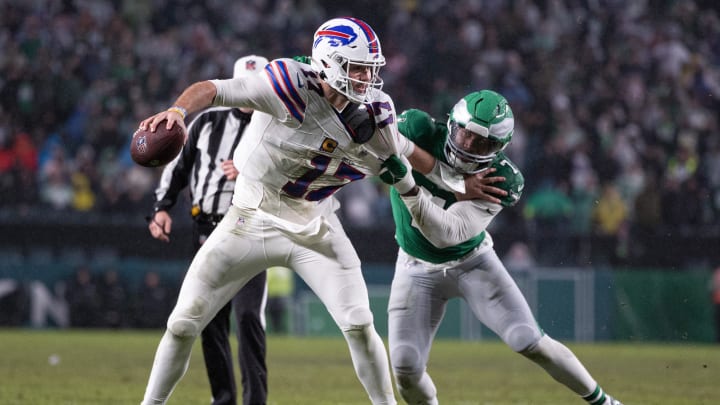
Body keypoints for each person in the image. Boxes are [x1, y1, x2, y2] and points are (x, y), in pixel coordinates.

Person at [136, 17, 449, 404]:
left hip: (314, 225)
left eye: (371, 69)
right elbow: (213, 90)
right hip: (247, 219)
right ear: (330, 63)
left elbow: (402, 151)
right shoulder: (285, 82)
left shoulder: (373, 115)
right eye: (357, 68)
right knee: (183, 323)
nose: (367, 78)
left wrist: (449, 183)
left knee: (359, 322)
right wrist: (179, 112)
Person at [378, 90, 623, 405]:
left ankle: (605, 402)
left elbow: (445, 233)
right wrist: (452, 183)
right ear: (452, 123)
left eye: (481, 143)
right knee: (405, 369)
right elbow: (384, 144)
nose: (467, 146)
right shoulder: (419, 128)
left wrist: (407, 185)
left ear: (499, 148)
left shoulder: (501, 178)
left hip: (472, 263)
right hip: (415, 266)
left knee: (529, 340)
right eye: (465, 134)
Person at [146, 55, 270, 405]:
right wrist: (162, 208)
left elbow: (291, 175)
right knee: (208, 319)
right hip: (206, 232)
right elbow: (177, 168)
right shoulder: (206, 123)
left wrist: (251, 171)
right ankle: (224, 399)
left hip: (251, 232)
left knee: (248, 317)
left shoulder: (276, 126)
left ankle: (255, 401)